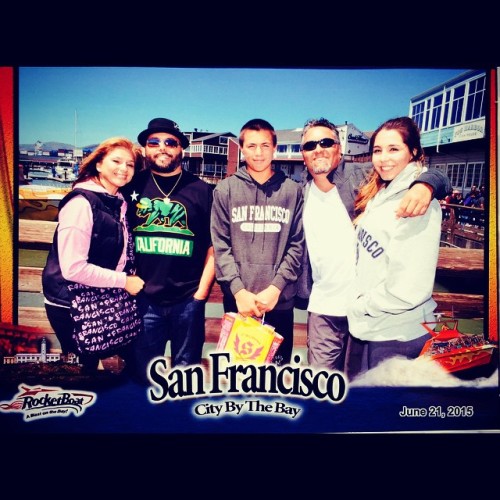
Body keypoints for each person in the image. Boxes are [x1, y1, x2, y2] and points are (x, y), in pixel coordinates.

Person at [297, 117, 451, 374]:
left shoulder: (363, 176)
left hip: (369, 312)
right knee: (323, 386)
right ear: (303, 154)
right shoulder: (298, 193)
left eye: (326, 142)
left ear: (339, 147)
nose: (318, 149)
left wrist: (427, 184)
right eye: (310, 145)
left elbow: (425, 171)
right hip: (324, 307)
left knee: (358, 389)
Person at [346, 116, 442, 374]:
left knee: (387, 411)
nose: (383, 158)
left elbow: (409, 288)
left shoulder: (416, 201)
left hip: (399, 334)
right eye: (378, 150)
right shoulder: (383, 191)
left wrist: (361, 305)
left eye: (394, 149)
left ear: (413, 152)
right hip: (377, 328)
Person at [122, 118, 215, 382]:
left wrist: (201, 294)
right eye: (154, 142)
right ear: (145, 149)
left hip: (188, 300)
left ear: (181, 150)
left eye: (170, 142)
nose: (162, 148)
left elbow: (214, 246)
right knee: (141, 376)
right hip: (143, 298)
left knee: (186, 378)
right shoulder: (131, 187)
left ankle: (177, 423)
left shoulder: (202, 191)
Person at [41, 137, 145, 373]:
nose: (124, 169)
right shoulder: (82, 203)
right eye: (116, 161)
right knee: (81, 369)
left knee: (112, 360)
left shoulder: (117, 201)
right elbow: (73, 268)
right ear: (98, 164)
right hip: (70, 303)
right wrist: (124, 281)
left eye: (130, 165)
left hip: (101, 296)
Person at [210, 118, 304, 365]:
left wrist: (276, 288)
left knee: (275, 374)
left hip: (279, 301)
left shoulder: (293, 191)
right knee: (237, 372)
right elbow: (220, 245)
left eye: (265, 145)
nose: (259, 152)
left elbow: (297, 245)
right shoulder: (225, 190)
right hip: (239, 301)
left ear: (275, 147)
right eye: (251, 146)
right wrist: (238, 291)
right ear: (242, 150)